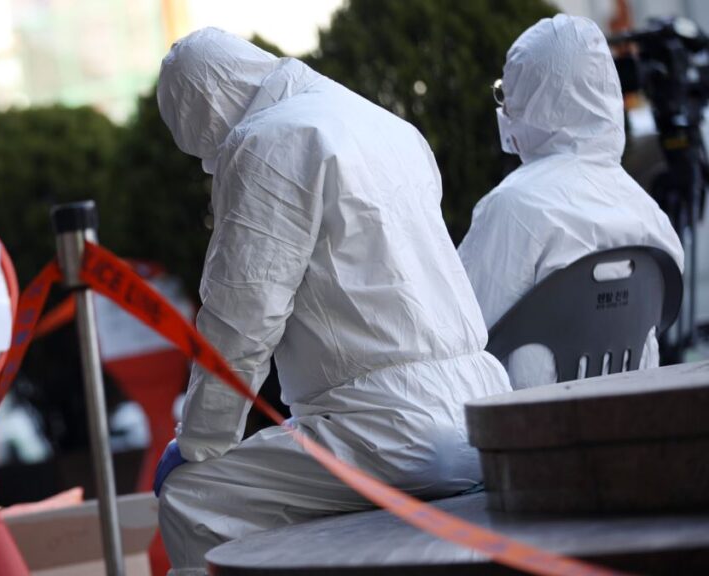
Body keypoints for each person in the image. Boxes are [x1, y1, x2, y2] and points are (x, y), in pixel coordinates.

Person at [153, 28, 511, 575]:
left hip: (388, 431)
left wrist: (199, 442)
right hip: (482, 412)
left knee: (192, 497)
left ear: (203, 111)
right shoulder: (385, 125)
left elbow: (241, 319)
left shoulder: (267, 143)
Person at [458, 15, 683, 390]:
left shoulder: (512, 206)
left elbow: (458, 330)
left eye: (508, 91)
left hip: (527, 421)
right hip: (632, 417)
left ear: (532, 97)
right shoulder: (649, 213)